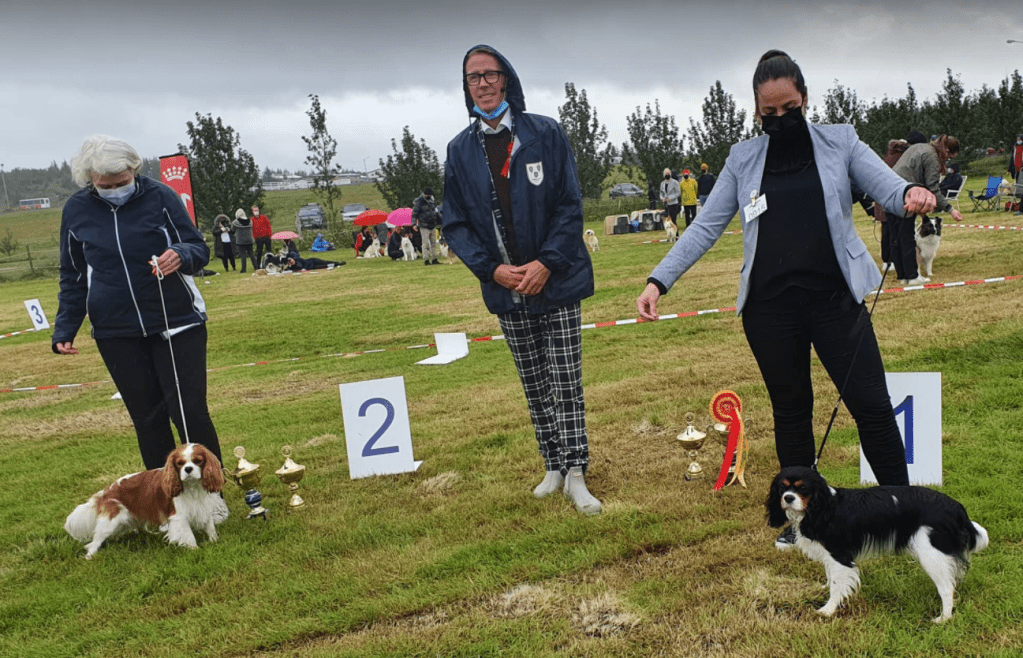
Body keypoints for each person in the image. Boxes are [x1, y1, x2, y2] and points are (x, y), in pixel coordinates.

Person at [636, 50, 939, 548]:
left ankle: (903, 519)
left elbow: (887, 188)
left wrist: (911, 194)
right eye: (769, 112)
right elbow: (706, 226)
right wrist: (658, 281)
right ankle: (802, 528)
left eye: (790, 108)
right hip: (770, 310)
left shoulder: (840, 140)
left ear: (805, 98)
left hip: (835, 301)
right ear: (757, 110)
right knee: (792, 412)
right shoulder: (742, 158)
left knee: (872, 407)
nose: (780, 119)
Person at [442, 44, 601, 515]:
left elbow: (569, 205)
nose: (483, 84)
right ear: (466, 87)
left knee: (566, 381)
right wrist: (492, 270)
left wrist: (546, 263)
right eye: (474, 77)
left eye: (490, 74)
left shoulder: (544, 133)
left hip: (556, 280)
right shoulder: (459, 150)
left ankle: (576, 471)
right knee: (534, 384)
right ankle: (553, 465)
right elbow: (456, 225)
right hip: (507, 288)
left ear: (506, 79)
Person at [52, 135, 224, 471]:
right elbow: (73, 274)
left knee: (189, 413)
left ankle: (212, 491)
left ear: (134, 169)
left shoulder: (161, 196)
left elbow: (197, 247)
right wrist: (65, 328)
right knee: (147, 419)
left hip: (177, 323)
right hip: (115, 331)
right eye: (105, 185)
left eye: (122, 182)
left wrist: (181, 254)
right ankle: (164, 496)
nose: (115, 189)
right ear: (89, 179)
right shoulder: (75, 210)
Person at [892, 133, 963, 284]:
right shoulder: (933, 158)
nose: (948, 161)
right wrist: (951, 210)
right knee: (907, 237)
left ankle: (903, 276)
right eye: (949, 158)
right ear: (946, 151)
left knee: (897, 237)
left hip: (891, 192)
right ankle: (912, 276)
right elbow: (934, 189)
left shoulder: (921, 147)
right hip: (905, 195)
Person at [413, 187, 442, 265]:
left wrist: (441, 219)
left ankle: (434, 259)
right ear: (424, 194)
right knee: (425, 244)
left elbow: (435, 212)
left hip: (432, 225)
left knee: (433, 243)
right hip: (424, 226)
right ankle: (426, 260)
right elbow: (414, 213)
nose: (428, 196)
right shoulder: (419, 202)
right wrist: (414, 224)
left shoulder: (432, 201)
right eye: (427, 195)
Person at [232, 208, 257, 272]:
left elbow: (232, 230)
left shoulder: (236, 222)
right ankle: (256, 266)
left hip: (241, 241)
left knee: (243, 255)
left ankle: (244, 269)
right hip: (249, 240)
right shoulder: (249, 221)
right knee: (251, 254)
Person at [1008, 134, 1023, 215]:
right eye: (1018, 139)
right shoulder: (1015, 147)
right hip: (1017, 171)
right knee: (1019, 189)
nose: (1018, 140)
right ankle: (1020, 206)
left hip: (1022, 170)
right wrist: (1009, 169)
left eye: (1020, 139)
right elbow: (1012, 159)